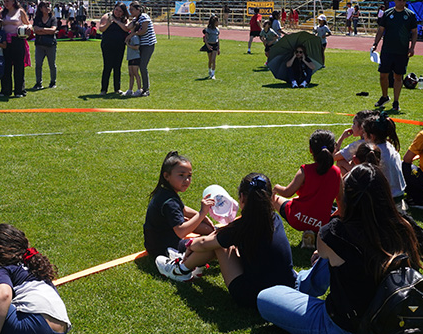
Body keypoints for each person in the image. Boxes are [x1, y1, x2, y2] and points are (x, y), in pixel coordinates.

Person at [256, 162, 423, 334]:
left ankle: (300, 284)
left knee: (266, 297)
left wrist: (339, 216)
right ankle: (301, 283)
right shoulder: (405, 226)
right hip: (391, 329)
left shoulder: (336, 232)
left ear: (346, 199)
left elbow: (321, 250)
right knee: (334, 259)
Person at [156, 173, 296, 308]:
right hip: (286, 289)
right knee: (221, 239)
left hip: (253, 296)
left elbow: (204, 244)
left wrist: (190, 245)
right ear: (271, 197)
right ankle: (189, 264)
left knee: (219, 245)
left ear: (242, 197)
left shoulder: (243, 227)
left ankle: (180, 270)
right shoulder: (274, 219)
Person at [273, 129, 343, 249]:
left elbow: (287, 192)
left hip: (298, 218)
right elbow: (341, 200)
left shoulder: (305, 170)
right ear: (333, 149)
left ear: (311, 150)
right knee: (332, 209)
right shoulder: (336, 172)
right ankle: (315, 233)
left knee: (273, 198)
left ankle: (268, 229)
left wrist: (276, 188)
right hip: (322, 223)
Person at [142, 151, 215, 261]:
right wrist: (202, 213)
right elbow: (181, 232)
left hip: (154, 244)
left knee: (208, 230)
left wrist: (203, 218)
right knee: (213, 245)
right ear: (166, 176)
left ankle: (214, 233)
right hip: (164, 247)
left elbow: (183, 209)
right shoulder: (170, 202)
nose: (187, 180)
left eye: (189, 176)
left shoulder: (165, 192)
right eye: (181, 175)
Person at [372, 0, 418, 113]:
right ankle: (384, 96)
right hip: (387, 49)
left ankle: (396, 101)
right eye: (399, 0)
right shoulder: (388, 14)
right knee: (383, 75)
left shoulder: (410, 15)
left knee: (398, 76)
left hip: (402, 51)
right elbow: (381, 30)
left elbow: (414, 32)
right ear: (395, 0)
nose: (401, 3)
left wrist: (412, 47)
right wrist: (375, 44)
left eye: (404, 1)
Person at [0, 0, 30, 99]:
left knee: (18, 66)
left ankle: (19, 90)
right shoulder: (2, 13)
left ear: (13, 1)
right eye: (4, 2)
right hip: (5, 41)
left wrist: (27, 28)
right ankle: (5, 90)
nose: (6, 3)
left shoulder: (20, 11)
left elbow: (28, 23)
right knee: (6, 66)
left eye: (7, 1)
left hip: (18, 40)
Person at [98, 1, 130, 93]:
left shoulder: (124, 19)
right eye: (116, 10)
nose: (118, 12)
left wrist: (117, 22)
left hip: (120, 45)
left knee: (117, 67)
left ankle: (117, 88)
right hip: (107, 45)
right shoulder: (107, 16)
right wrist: (108, 23)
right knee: (107, 66)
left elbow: (126, 28)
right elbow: (101, 29)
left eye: (120, 11)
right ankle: (104, 89)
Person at [128, 1, 156, 96]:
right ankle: (141, 88)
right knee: (139, 66)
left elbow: (143, 30)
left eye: (132, 9)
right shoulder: (136, 19)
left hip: (148, 45)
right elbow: (128, 27)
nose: (130, 11)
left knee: (143, 66)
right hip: (141, 45)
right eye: (129, 9)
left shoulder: (144, 17)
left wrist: (132, 34)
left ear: (138, 9)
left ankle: (146, 89)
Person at [31, 0, 58, 90]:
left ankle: (53, 82)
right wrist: (47, 30)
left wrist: (41, 30)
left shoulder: (53, 19)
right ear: (41, 8)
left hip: (50, 45)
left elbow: (53, 30)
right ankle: (38, 83)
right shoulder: (37, 19)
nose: (47, 8)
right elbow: (35, 30)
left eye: (48, 6)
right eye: (45, 7)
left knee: (52, 64)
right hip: (39, 45)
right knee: (38, 64)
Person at [199, 14, 221, 80]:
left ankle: (213, 74)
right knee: (210, 60)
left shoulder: (217, 30)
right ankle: (209, 70)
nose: (218, 22)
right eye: (217, 21)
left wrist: (218, 48)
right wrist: (208, 45)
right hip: (209, 45)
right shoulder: (208, 30)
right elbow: (205, 38)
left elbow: (218, 39)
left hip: (215, 45)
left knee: (214, 60)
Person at [124, 29, 143, 96]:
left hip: (135, 57)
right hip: (130, 57)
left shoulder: (135, 37)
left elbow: (137, 47)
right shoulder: (130, 36)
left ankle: (139, 89)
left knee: (135, 73)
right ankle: (130, 90)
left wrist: (128, 45)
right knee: (131, 74)